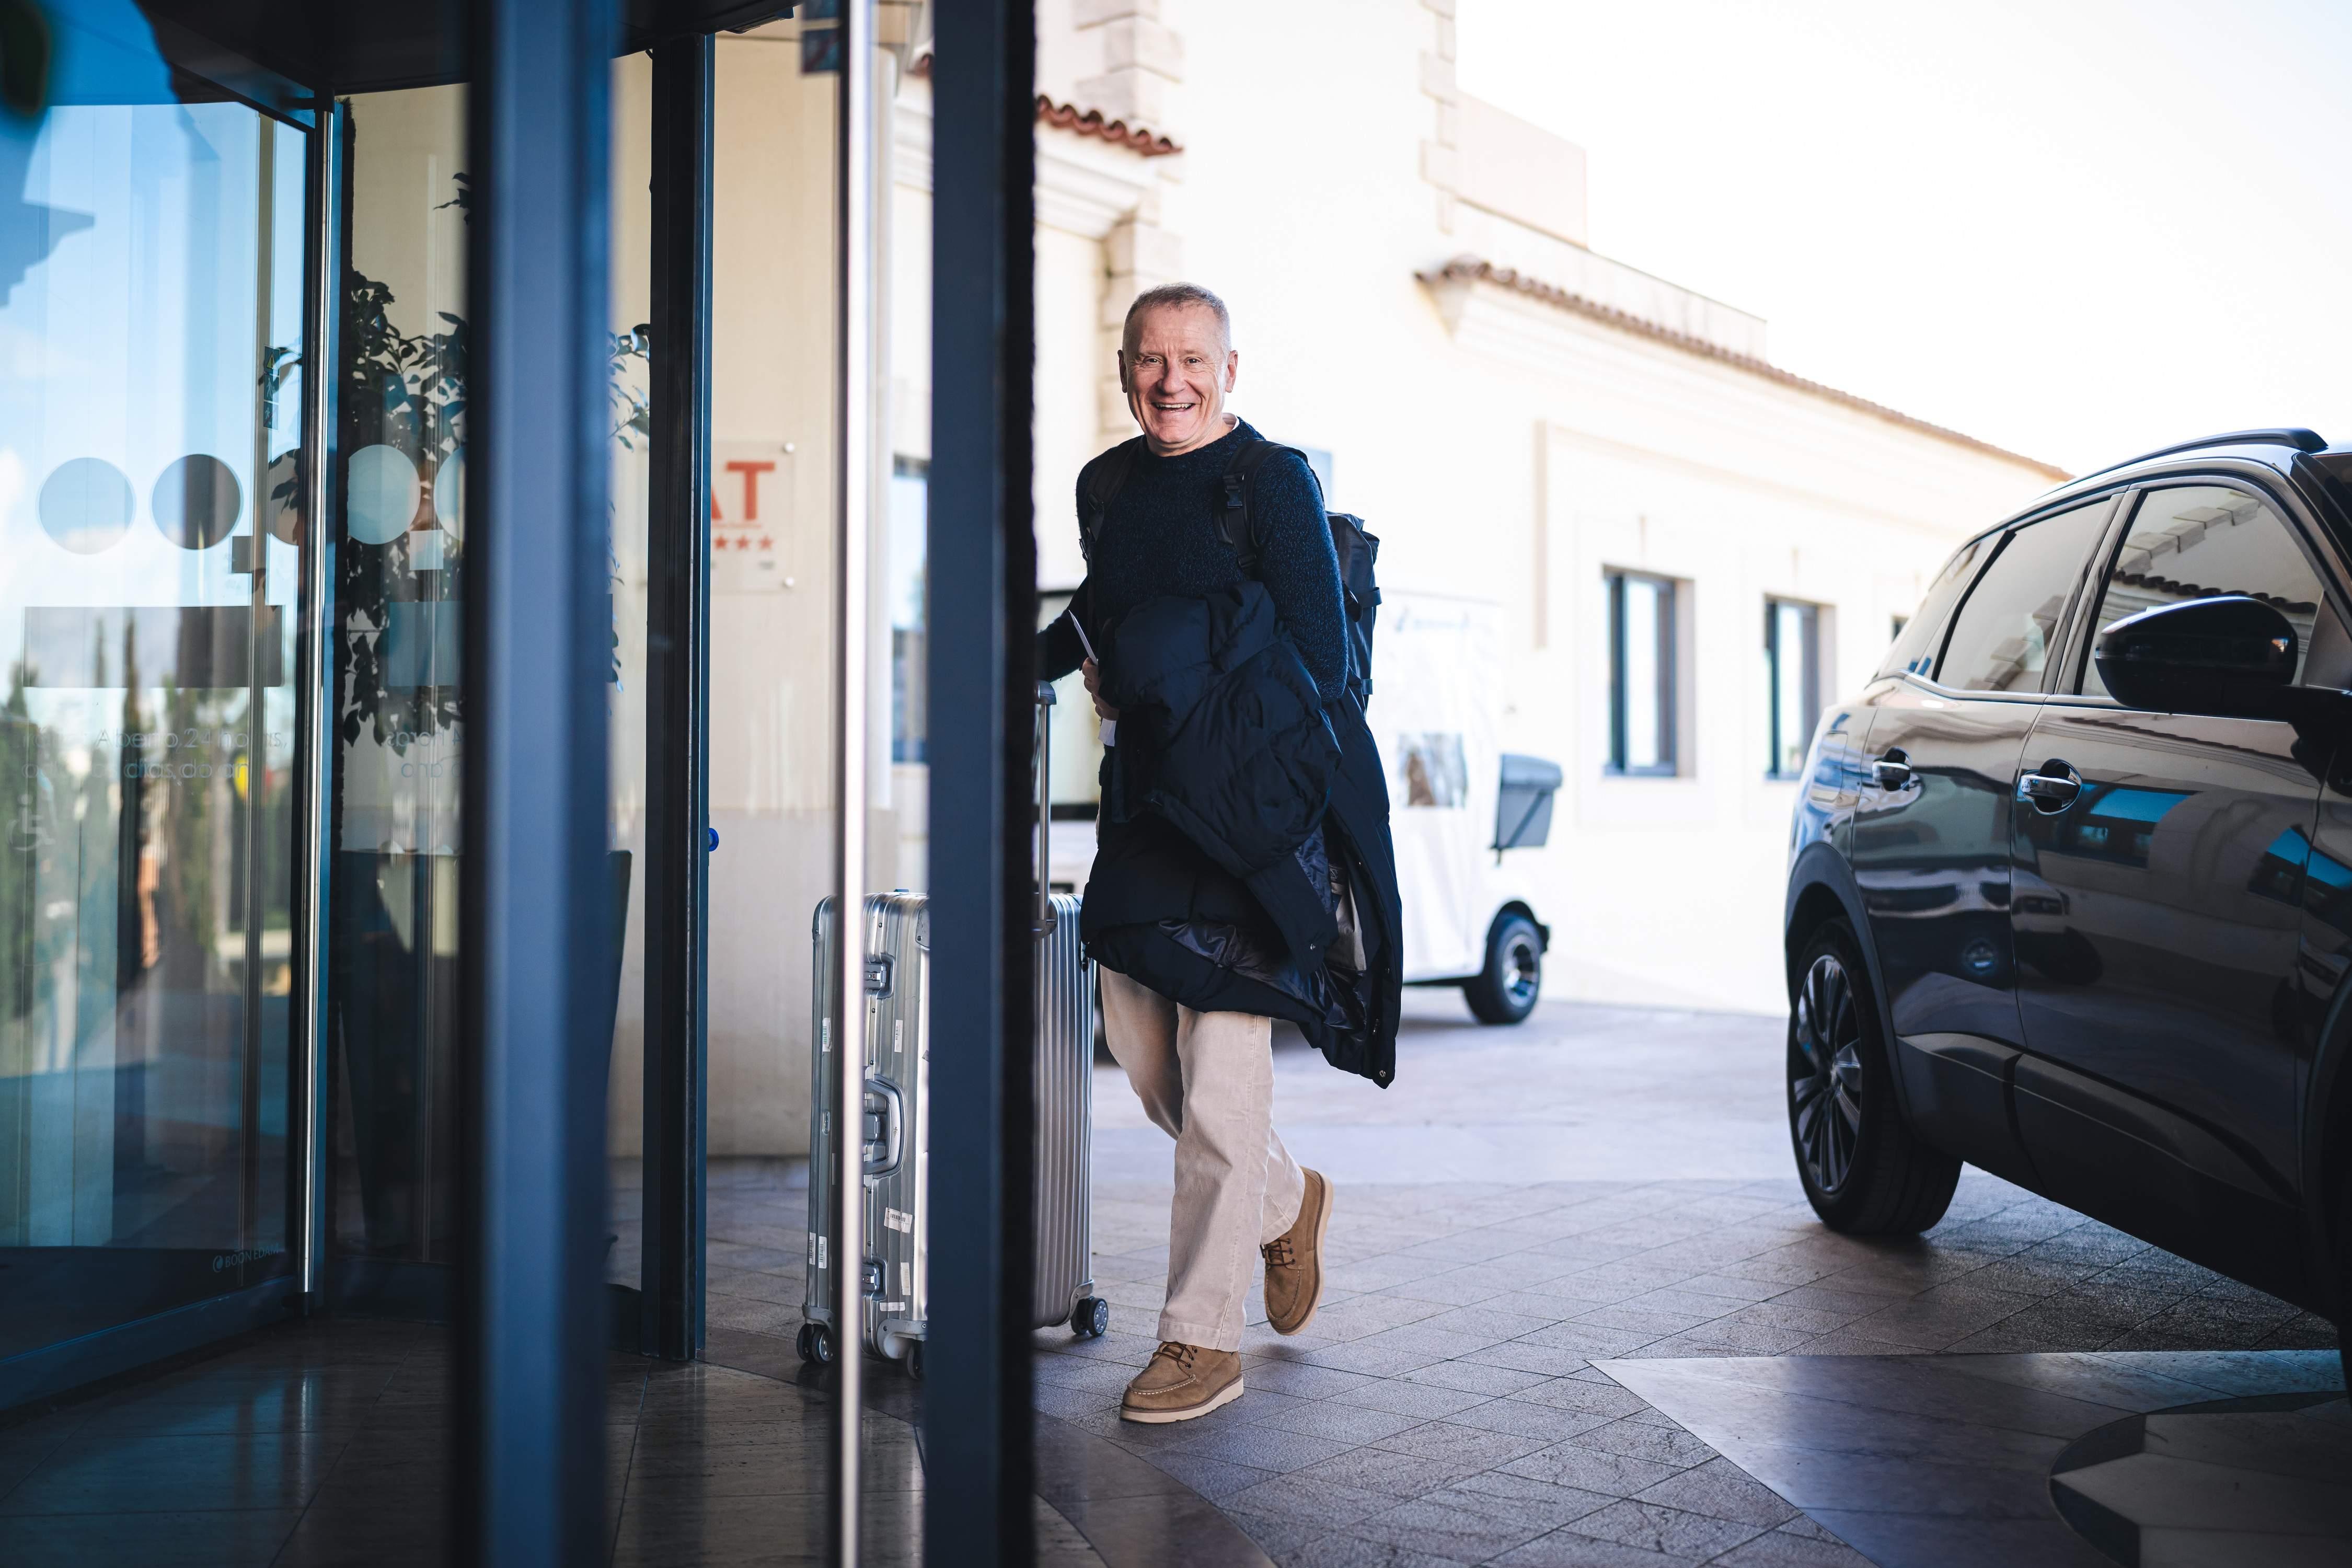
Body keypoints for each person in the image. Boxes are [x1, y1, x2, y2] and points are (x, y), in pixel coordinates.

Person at [1039, 282, 1344, 1424]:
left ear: (1229, 368)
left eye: (1193, 360)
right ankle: (1283, 1201)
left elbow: (1324, 660)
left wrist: (1186, 686)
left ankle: (1201, 1337)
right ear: (1125, 371)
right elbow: (1099, 618)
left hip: (1247, 817)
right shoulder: (1108, 487)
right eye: (1149, 360)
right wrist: (1011, 664)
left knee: (1222, 1068)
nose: (1172, 380)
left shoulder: (1270, 484)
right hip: (1147, 812)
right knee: (1145, 1053)